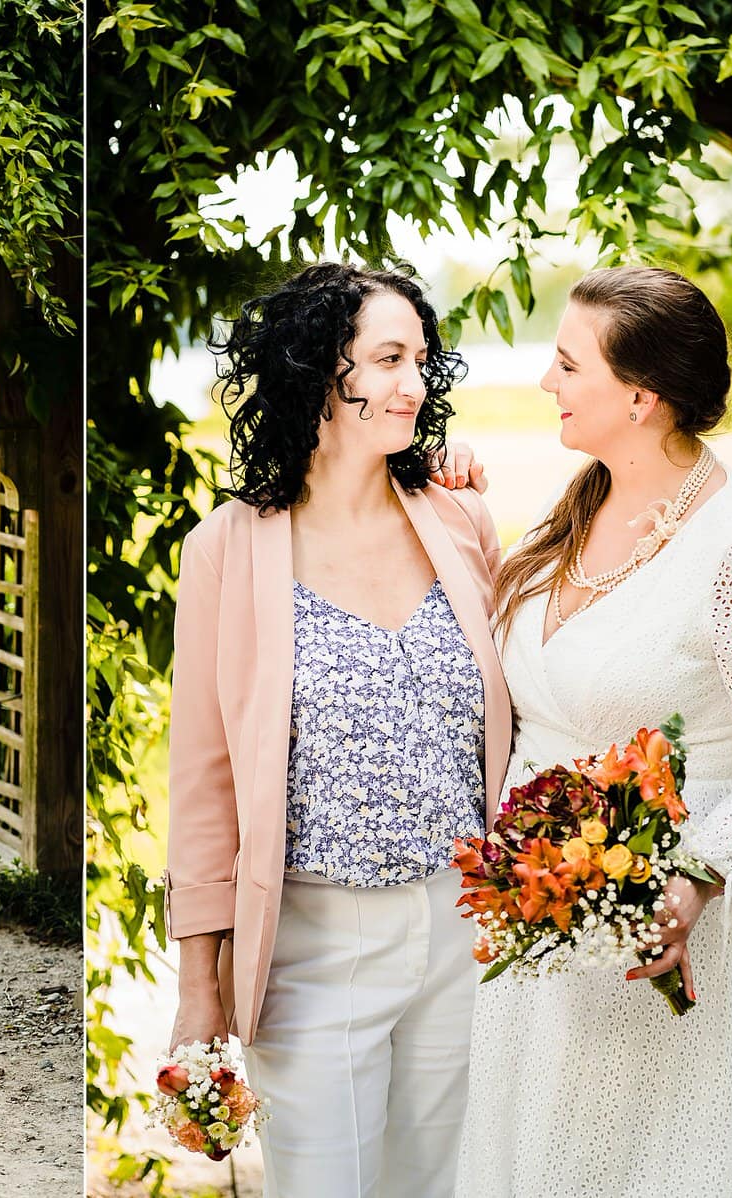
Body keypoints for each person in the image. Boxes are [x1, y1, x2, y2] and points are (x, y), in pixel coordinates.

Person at [456, 265, 732, 1195]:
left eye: (566, 364)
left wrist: (694, 875)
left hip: (678, 943)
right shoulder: (575, 509)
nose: (546, 383)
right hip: (543, 947)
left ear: (640, 398)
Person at [163, 262, 510, 1197]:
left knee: (440, 1184)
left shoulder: (462, 519)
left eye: (423, 361)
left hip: (461, 927)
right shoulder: (227, 549)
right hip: (311, 943)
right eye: (389, 359)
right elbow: (202, 781)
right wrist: (201, 992)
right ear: (320, 372)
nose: (416, 383)